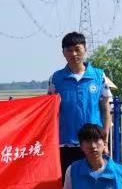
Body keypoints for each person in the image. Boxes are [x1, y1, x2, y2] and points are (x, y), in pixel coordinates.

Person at [47, 32, 113, 180]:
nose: (74, 54)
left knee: (96, 182)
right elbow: (50, 112)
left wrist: (105, 141)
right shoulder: (56, 79)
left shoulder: (99, 76)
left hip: (94, 143)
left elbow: (106, 109)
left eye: (77, 49)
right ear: (63, 52)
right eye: (69, 50)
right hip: (66, 143)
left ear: (85, 49)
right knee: (68, 185)